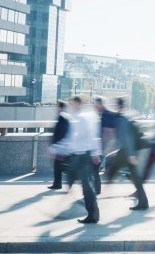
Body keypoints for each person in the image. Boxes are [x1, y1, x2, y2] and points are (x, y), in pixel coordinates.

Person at [50, 96, 101, 224]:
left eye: (73, 104)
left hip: (83, 156)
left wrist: (57, 149)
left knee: (86, 187)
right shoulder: (80, 118)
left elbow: (82, 137)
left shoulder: (81, 118)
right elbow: (74, 139)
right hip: (79, 155)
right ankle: (91, 212)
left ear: (78, 104)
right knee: (80, 182)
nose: (72, 106)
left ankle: (92, 214)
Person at [106, 98, 148, 210]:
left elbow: (128, 138)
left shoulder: (123, 119)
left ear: (118, 107)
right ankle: (143, 202)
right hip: (128, 151)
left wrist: (131, 155)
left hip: (126, 151)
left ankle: (96, 193)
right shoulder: (125, 117)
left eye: (115, 105)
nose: (114, 108)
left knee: (112, 170)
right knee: (135, 176)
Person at [93, 96, 118, 195]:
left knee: (95, 168)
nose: (94, 105)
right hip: (105, 146)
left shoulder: (106, 114)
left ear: (100, 104)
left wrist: (104, 148)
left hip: (104, 146)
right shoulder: (105, 113)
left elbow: (109, 131)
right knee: (96, 168)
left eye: (96, 103)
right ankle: (96, 189)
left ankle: (96, 190)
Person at [48, 100, 70, 190]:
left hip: (61, 147)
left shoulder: (62, 117)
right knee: (59, 166)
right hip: (63, 146)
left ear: (60, 107)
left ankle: (58, 184)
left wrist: (56, 147)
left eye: (57, 106)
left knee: (58, 167)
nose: (55, 108)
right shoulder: (65, 116)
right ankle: (57, 183)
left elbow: (61, 133)